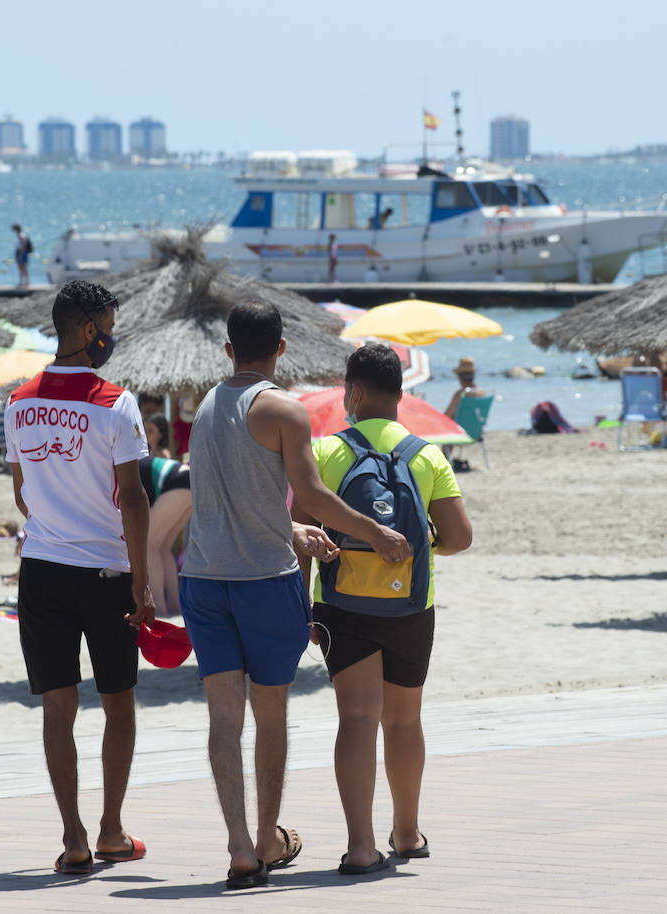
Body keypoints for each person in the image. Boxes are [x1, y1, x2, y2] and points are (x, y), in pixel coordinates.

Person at [177, 300, 410, 890]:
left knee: (223, 716)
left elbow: (230, 501)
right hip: (264, 581)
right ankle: (266, 837)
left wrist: (294, 529)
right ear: (282, 349)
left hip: (203, 579)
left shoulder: (204, 406)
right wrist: (376, 531)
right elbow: (314, 493)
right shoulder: (285, 409)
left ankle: (238, 847)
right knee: (271, 713)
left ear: (228, 349)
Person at [291, 342, 473, 874]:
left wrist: (303, 606)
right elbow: (461, 537)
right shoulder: (428, 454)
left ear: (355, 391)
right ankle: (408, 832)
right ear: (401, 394)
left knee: (356, 717)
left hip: (342, 605)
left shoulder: (326, 453)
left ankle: (361, 846)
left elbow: (301, 536)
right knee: (404, 720)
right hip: (411, 606)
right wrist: (417, 544)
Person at [3, 279, 155, 875]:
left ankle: (72, 838)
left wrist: (56, 523)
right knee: (119, 705)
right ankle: (111, 829)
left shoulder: (18, 400)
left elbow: (21, 494)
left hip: (41, 568)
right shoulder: (116, 401)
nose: (112, 337)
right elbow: (134, 500)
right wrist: (142, 583)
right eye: (109, 326)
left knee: (57, 708)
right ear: (90, 331)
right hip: (106, 572)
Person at [139, 453, 191, 616]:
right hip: (190, 483)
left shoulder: (124, 467)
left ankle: (160, 608)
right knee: (162, 548)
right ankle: (174, 605)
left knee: (149, 547)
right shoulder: (136, 460)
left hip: (176, 484)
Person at [13, 224, 33, 289]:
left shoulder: (21, 235)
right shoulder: (20, 235)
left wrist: (20, 254)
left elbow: (24, 244)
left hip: (21, 252)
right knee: (21, 268)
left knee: (23, 267)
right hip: (20, 252)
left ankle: (26, 282)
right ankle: (22, 282)